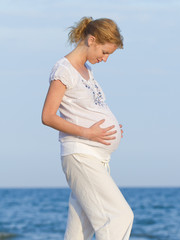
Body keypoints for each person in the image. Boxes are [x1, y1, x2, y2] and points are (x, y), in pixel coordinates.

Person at [41, 17, 134, 240]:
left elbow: (88, 108)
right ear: (91, 40)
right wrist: (89, 132)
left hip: (95, 157)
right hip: (81, 155)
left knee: (79, 231)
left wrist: (110, 125)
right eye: (104, 52)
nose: (105, 59)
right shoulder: (64, 70)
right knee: (119, 217)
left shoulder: (87, 70)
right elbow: (47, 116)